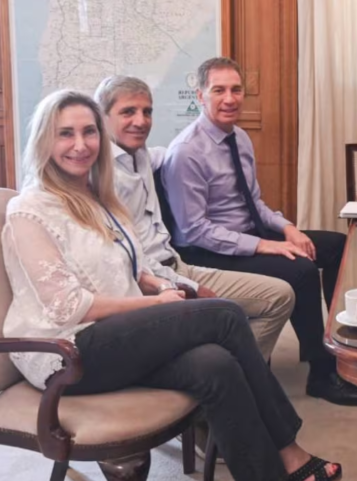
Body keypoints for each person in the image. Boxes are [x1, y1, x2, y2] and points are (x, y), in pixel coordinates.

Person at [4, 89, 344, 481]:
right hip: (69, 352)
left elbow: (131, 269)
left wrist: (163, 286)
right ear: (44, 141)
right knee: (225, 317)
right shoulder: (28, 209)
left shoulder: (96, 198)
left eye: (89, 132)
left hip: (117, 336)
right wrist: (158, 306)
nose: (80, 144)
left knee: (215, 364)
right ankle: (287, 449)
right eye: (66, 134)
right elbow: (67, 306)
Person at [161, 57, 357, 407]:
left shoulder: (240, 138)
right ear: (200, 95)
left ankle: (339, 344)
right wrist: (263, 246)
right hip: (208, 252)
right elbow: (194, 230)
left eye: (236, 90)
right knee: (301, 270)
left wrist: (288, 228)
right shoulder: (186, 153)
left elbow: (255, 203)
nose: (229, 99)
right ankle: (322, 373)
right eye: (219, 90)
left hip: (247, 232)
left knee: (336, 245)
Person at [95, 75, 294, 361]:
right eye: (128, 112)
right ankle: (236, 372)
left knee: (281, 295)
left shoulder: (141, 155)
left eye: (147, 112)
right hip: (149, 283)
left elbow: (170, 154)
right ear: (103, 117)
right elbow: (128, 259)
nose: (140, 121)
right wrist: (187, 286)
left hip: (175, 263)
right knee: (229, 318)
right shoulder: (101, 176)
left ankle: (241, 371)